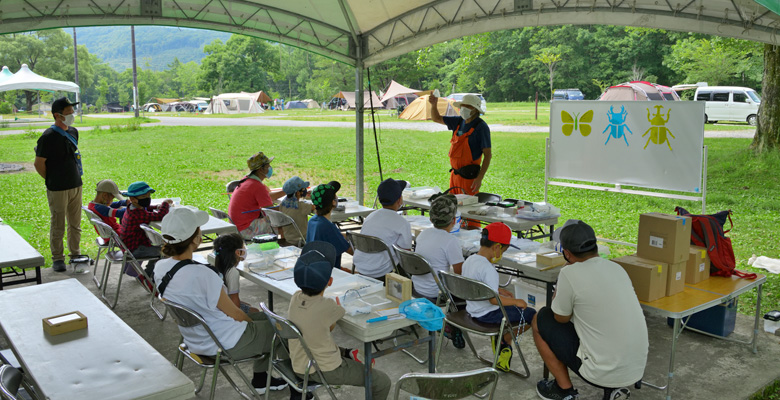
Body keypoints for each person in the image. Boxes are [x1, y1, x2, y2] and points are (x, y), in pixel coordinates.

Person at [153, 206, 299, 399]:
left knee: (268, 320)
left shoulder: (161, 268)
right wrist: (254, 325)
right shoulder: (203, 274)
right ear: (196, 239)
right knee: (286, 331)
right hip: (225, 342)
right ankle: (299, 388)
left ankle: (262, 380)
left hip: (196, 339)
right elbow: (236, 313)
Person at [533, 220, 648, 400]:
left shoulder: (569, 274)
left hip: (602, 372)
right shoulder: (617, 268)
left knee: (540, 318)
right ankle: (613, 390)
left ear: (567, 253)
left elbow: (560, 317)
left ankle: (563, 389)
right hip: (636, 367)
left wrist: (564, 276)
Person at [288, 241, 391, 400]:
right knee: (382, 381)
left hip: (300, 361)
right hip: (324, 369)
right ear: (329, 282)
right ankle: (348, 355)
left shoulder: (295, 298)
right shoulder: (328, 306)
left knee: (320, 339)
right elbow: (331, 325)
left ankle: (348, 353)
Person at [462, 222, 536, 372]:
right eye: (504, 250)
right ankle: (504, 340)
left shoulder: (469, 260)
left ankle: (502, 338)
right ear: (496, 247)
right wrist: (516, 301)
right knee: (531, 315)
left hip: (472, 309)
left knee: (515, 306)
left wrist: (499, 290)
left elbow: (479, 285)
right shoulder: (488, 269)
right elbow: (493, 300)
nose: (502, 255)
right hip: (488, 314)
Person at [34, 97, 83, 272]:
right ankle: (57, 258)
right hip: (57, 188)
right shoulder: (47, 137)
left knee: (75, 224)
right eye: (69, 112)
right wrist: (52, 179)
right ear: (58, 115)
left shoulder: (73, 132)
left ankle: (75, 254)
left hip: (76, 185)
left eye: (72, 111)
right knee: (58, 224)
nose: (72, 115)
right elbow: (39, 164)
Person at [428, 93, 491, 196]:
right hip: (455, 175)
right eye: (463, 105)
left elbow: (488, 155)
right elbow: (436, 118)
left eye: (468, 106)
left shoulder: (481, 127)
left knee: (466, 208)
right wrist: (434, 104)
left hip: (469, 178)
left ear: (475, 109)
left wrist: (479, 178)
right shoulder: (459, 121)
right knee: (453, 205)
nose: (464, 108)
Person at [352, 178, 413, 281]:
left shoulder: (371, 216)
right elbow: (405, 254)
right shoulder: (402, 222)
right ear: (399, 200)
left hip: (361, 266)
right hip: (382, 271)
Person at [228, 151, 285, 240]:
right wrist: (288, 208)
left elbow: (267, 197)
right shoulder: (257, 186)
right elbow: (271, 212)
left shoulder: (247, 180)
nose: (269, 168)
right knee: (285, 224)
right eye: (267, 166)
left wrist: (286, 191)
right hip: (246, 228)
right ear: (260, 169)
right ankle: (285, 247)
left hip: (237, 225)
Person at [120, 181, 171, 278]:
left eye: (148, 196)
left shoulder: (132, 208)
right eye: (144, 197)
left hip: (128, 247)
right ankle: (148, 275)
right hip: (135, 249)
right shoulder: (137, 214)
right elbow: (160, 215)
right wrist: (165, 204)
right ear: (132, 199)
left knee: (160, 248)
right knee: (166, 251)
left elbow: (146, 208)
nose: (147, 199)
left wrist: (156, 206)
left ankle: (141, 271)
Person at [306, 181, 352, 269]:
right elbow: (349, 250)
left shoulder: (313, 221)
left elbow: (332, 236)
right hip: (329, 273)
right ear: (333, 202)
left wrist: (351, 235)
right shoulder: (327, 226)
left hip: (316, 267)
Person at [213, 233, 259, 314]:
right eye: (243, 246)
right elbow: (234, 300)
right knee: (256, 312)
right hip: (227, 311)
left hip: (219, 305)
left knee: (248, 305)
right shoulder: (233, 272)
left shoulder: (219, 266)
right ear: (238, 252)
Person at [279, 176, 314, 247]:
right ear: (298, 193)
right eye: (303, 189)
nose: (305, 190)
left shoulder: (282, 204)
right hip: (302, 240)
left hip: (289, 238)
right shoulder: (301, 206)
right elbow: (316, 207)